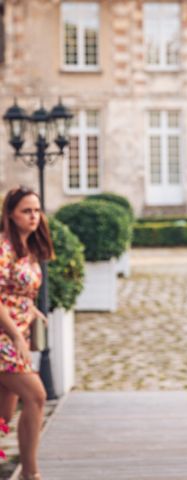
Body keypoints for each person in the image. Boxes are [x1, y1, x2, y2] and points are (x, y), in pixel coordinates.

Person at [0, 186, 54, 480]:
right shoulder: (3, 248)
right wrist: (17, 336)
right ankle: (30, 474)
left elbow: (15, 292)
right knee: (36, 396)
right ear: (10, 214)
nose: (34, 216)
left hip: (17, 333)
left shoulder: (29, 248)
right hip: (4, 337)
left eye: (36, 210)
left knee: (3, 417)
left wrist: (31, 312)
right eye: (26, 211)